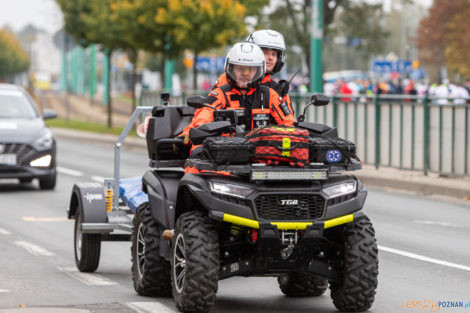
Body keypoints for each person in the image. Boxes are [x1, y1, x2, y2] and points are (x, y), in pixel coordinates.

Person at [180, 42, 296, 174]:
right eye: (240, 69)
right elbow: (202, 119)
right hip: (227, 158)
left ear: (259, 70)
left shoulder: (270, 95)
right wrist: (196, 132)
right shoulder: (220, 94)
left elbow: (289, 125)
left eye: (250, 69)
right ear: (231, 69)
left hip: (263, 157)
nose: (245, 73)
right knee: (196, 156)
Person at [213, 29, 295, 115]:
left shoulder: (278, 89)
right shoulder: (228, 80)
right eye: (265, 53)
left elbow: (289, 123)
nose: (270, 58)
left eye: (274, 54)